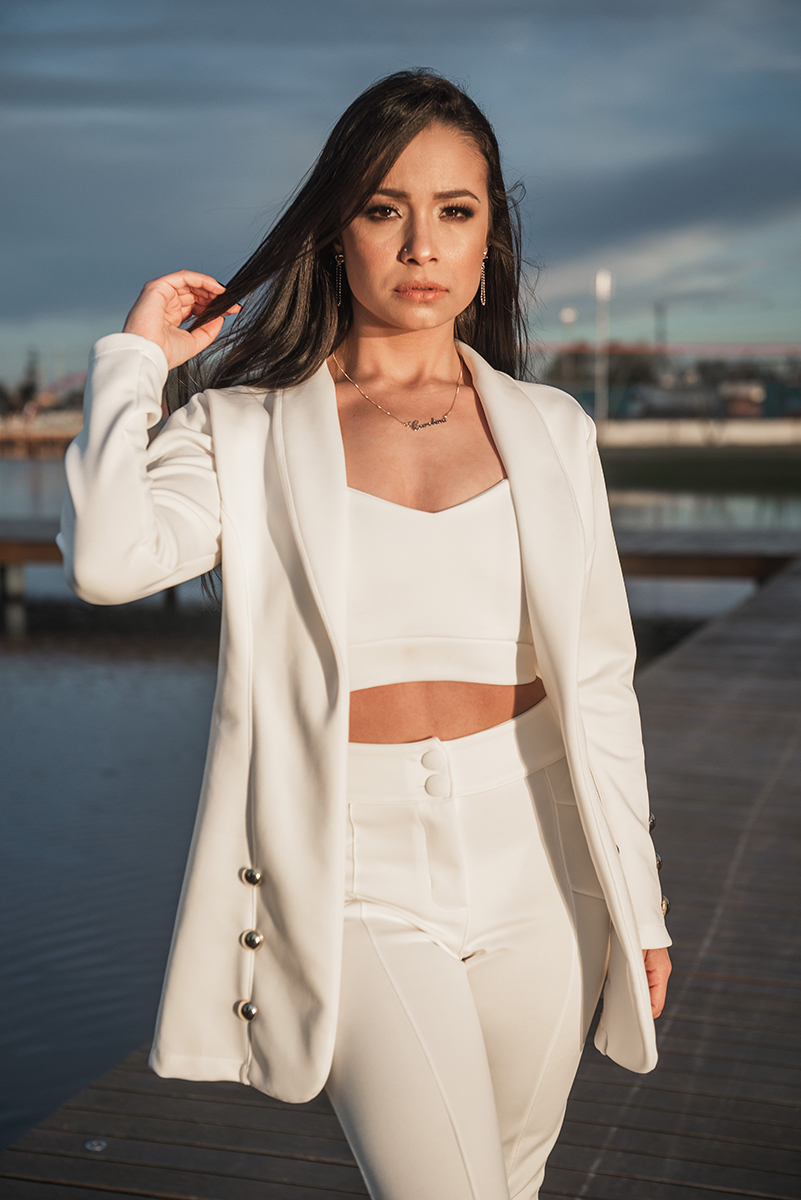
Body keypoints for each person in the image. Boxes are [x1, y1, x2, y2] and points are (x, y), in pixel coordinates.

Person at [59, 69, 671, 1200]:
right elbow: (105, 561)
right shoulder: (242, 430)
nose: (421, 247)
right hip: (354, 874)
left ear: (493, 234)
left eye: (457, 211)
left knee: (515, 1182)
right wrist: (136, 361)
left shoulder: (550, 427)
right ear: (335, 230)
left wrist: (638, 898)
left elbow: (597, 678)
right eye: (385, 210)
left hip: (545, 857)